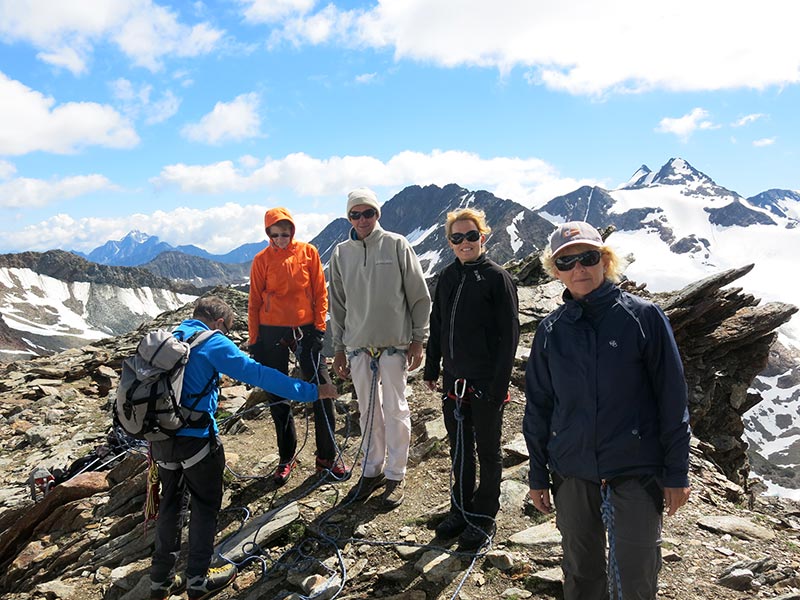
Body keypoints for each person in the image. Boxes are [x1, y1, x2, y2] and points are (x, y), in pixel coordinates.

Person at [522, 222, 691, 600]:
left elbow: (672, 398)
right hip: (572, 470)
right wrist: (537, 473)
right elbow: (539, 407)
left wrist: (676, 471)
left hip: (635, 468)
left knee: (636, 576)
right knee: (580, 573)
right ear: (555, 271)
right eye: (566, 262)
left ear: (605, 260)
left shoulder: (644, 317)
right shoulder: (551, 331)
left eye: (588, 257)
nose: (578, 268)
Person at [149, 295, 338, 600]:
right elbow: (258, 374)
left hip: (160, 439)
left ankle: (160, 579)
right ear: (220, 322)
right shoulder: (212, 342)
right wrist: (312, 391)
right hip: (196, 438)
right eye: (227, 329)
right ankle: (197, 579)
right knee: (205, 505)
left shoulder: (170, 337)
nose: (225, 334)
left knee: (171, 503)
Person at [423, 208, 519, 551]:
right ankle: (460, 510)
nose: (465, 242)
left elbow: (510, 337)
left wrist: (498, 387)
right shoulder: (448, 276)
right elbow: (438, 324)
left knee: (489, 452)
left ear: (484, 236)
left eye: (471, 236)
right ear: (450, 243)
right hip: (454, 380)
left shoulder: (497, 278)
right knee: (460, 448)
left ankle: (484, 516)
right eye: (457, 237)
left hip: (485, 383)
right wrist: (432, 367)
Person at [329, 187, 431, 509]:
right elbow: (338, 305)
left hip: (394, 346)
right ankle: (371, 469)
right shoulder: (340, 253)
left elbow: (418, 295)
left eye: (368, 213)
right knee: (368, 410)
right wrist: (339, 349)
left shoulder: (397, 245)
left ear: (378, 214)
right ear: (349, 217)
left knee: (396, 409)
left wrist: (418, 339)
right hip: (358, 346)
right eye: (355, 214)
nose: (362, 219)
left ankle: (395, 473)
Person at [248, 207, 348, 485]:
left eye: (285, 232)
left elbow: (319, 290)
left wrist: (319, 328)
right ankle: (286, 457)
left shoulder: (308, 252)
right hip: (271, 330)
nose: (281, 238)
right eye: (275, 234)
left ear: (293, 230)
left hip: (305, 329)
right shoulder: (261, 260)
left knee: (322, 389)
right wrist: (254, 339)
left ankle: (326, 457)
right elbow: (254, 301)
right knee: (277, 393)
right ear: (268, 233)